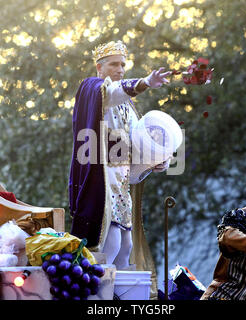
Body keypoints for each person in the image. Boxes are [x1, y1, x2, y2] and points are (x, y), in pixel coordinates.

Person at [68, 40, 171, 270]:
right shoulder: (93, 89)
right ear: (99, 67)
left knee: (126, 248)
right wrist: (145, 82)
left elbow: (138, 148)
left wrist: (155, 161)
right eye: (114, 64)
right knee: (109, 246)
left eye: (123, 65)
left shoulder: (128, 107)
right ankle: (97, 300)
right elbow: (113, 91)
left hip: (121, 187)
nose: (120, 70)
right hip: (100, 184)